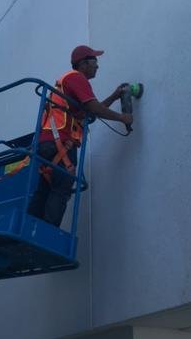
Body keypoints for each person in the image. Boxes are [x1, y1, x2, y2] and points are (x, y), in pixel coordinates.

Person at [27, 45, 133, 227]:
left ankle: (30, 230)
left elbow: (89, 113)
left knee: (46, 188)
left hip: (48, 142)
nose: (97, 66)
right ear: (83, 63)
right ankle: (48, 234)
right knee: (61, 187)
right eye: (95, 61)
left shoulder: (66, 82)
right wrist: (123, 117)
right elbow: (94, 108)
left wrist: (114, 97)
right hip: (59, 142)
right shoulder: (77, 78)